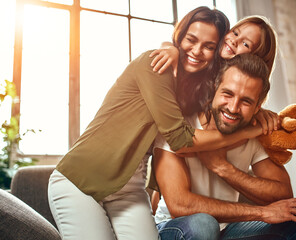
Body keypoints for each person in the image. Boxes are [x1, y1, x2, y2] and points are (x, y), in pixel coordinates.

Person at [47, 7, 274, 240]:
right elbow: (180, 141)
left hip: (128, 190)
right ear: (180, 36)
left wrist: (258, 113)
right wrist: (247, 132)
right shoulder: (155, 64)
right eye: (190, 40)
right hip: (81, 180)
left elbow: (230, 100)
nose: (197, 51)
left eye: (208, 46)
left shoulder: (199, 88)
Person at [153, 54, 296, 240]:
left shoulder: (254, 134)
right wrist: (261, 213)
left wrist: (223, 168)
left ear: (258, 107)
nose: (233, 108)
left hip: (227, 229)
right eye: (228, 94)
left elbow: (282, 193)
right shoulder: (178, 128)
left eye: (246, 101)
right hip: (176, 227)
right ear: (214, 90)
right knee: (204, 225)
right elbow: (180, 205)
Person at [150, 14, 279, 134]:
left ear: (255, 59)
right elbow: (173, 44)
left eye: (245, 44)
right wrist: (171, 49)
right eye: (235, 33)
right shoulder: (205, 58)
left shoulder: (233, 105)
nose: (235, 41)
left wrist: (258, 112)